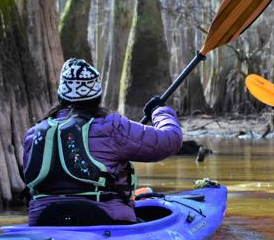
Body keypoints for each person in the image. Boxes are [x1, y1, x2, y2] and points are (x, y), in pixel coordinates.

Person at [22, 58, 183, 226]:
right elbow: (171, 139)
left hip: (44, 221)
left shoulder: (33, 135)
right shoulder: (112, 127)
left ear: (61, 96)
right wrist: (159, 111)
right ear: (97, 96)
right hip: (106, 220)